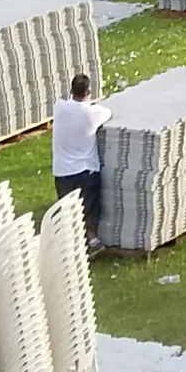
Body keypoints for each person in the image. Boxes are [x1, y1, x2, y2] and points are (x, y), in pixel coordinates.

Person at [50, 72, 111, 246]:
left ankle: (69, 242)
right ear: (89, 92)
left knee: (67, 208)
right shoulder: (93, 113)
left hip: (62, 170)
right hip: (86, 170)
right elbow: (107, 112)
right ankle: (92, 239)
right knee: (89, 207)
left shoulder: (59, 107)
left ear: (71, 90)